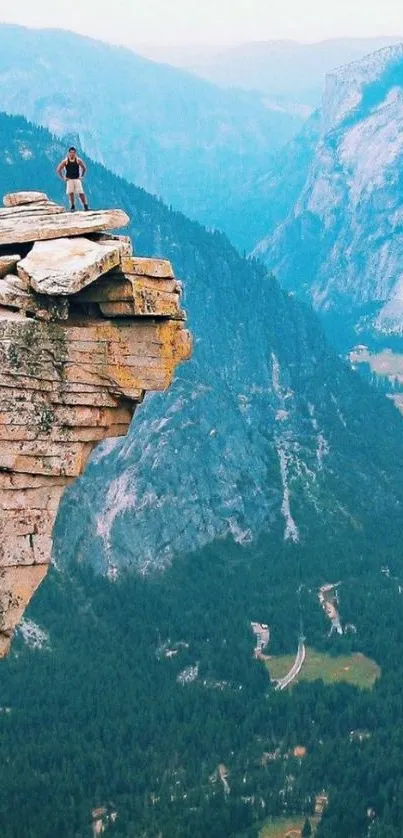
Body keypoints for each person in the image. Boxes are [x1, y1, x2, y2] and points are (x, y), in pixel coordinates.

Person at [56, 147, 89, 211]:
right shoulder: (65, 161)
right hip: (69, 179)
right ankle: (72, 206)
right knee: (70, 193)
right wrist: (63, 178)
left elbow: (84, 168)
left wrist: (81, 176)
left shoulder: (78, 160)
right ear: (68, 153)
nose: (72, 154)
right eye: (71, 152)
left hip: (77, 179)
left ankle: (85, 206)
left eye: (73, 152)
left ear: (75, 153)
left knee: (81, 193)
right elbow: (58, 169)